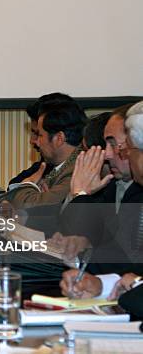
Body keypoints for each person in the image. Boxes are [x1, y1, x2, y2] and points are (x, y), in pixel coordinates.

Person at [58, 102, 143, 302]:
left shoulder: (135, 191)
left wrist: (80, 193)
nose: (108, 153)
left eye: (121, 146)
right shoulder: (115, 185)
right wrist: (101, 285)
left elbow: (127, 262)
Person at [0, 97, 87, 209]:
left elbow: (34, 207)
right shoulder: (61, 165)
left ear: (59, 138)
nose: (36, 141)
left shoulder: (78, 170)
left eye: (40, 135)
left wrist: (28, 184)